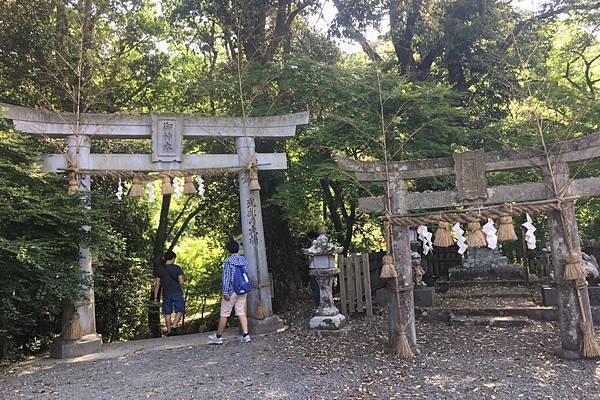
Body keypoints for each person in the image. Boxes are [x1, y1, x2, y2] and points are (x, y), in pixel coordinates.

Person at [208, 240, 251, 344]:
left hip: (231, 291)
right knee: (241, 311)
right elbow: (247, 273)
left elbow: (226, 278)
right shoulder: (243, 260)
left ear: (228, 250)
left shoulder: (228, 261)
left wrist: (225, 292)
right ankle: (246, 335)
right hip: (242, 289)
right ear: (237, 249)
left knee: (224, 313)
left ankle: (218, 337)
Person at [153, 250, 185, 337]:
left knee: (167, 313)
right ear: (173, 258)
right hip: (177, 292)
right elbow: (181, 282)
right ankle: (174, 327)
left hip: (166, 293)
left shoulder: (160, 270)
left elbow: (157, 284)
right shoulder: (177, 268)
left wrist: (155, 298)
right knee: (180, 310)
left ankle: (169, 331)